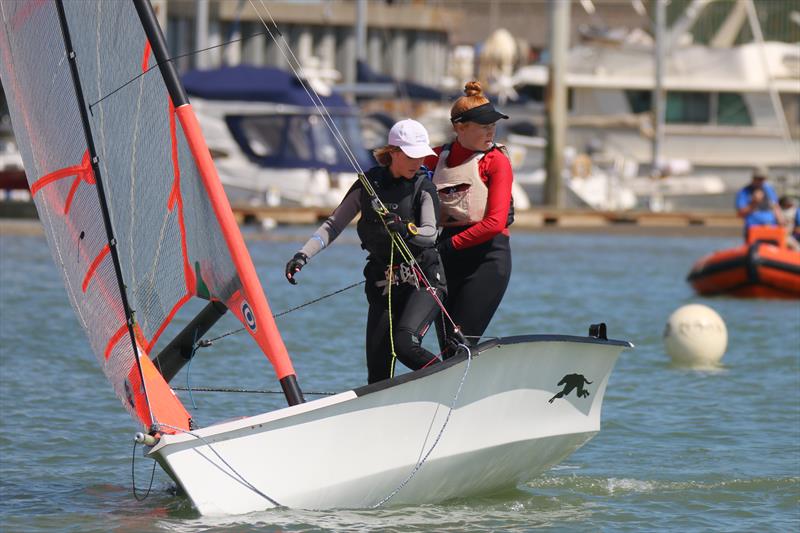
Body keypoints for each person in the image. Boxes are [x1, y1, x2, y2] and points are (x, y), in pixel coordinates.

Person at [285, 119, 446, 384]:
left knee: (405, 345)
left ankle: (447, 383)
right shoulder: (369, 185)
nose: (418, 163)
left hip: (423, 281)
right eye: (411, 156)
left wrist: (407, 228)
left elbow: (431, 233)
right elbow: (333, 225)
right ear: (393, 152)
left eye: (421, 156)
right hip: (385, 284)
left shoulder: (423, 186)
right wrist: (303, 255)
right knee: (378, 370)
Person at [423, 81, 513, 354]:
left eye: (493, 125)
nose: (491, 131)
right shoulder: (435, 158)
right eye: (483, 125)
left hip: (487, 257)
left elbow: (494, 223)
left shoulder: (496, 161)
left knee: (460, 342)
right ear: (459, 127)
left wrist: (446, 247)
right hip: (445, 256)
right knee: (448, 346)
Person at [735, 167, 785, 238]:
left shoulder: (769, 189)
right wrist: (754, 203)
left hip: (771, 228)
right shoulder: (744, 192)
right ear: (753, 178)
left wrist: (781, 219)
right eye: (758, 179)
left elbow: (775, 206)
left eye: (763, 179)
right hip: (753, 229)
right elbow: (740, 213)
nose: (761, 181)